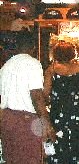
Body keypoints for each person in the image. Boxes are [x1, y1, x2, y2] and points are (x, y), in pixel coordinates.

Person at [0, 31, 56, 163]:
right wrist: (46, 123)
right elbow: (36, 95)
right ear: (33, 48)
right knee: (31, 158)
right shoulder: (33, 64)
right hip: (26, 121)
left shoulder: (6, 66)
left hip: (6, 119)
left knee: (12, 159)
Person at [43, 41, 79, 163]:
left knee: (60, 147)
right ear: (72, 54)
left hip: (58, 115)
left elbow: (45, 94)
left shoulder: (51, 70)